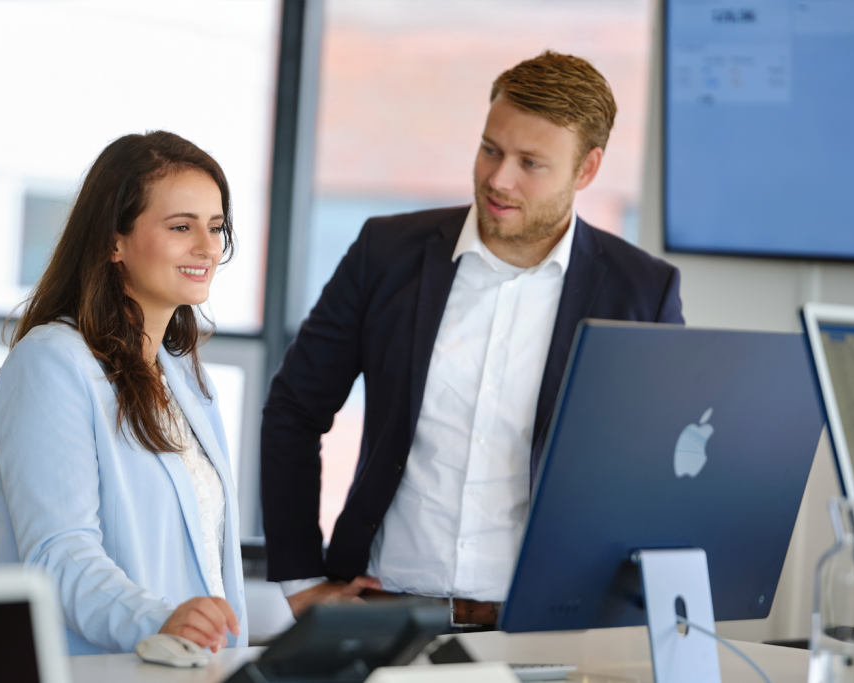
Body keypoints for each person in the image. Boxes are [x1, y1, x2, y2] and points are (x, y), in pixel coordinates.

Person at [261, 51, 685, 626]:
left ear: (586, 170)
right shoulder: (385, 253)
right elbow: (293, 408)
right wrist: (301, 578)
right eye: (491, 149)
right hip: (384, 616)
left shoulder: (643, 294)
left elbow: (658, 471)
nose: (497, 179)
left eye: (530, 163)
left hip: (544, 631)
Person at [0, 131, 247, 655]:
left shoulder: (188, 380)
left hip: (190, 668)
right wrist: (159, 620)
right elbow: (59, 554)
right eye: (181, 226)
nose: (207, 247)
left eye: (215, 227)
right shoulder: (52, 363)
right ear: (114, 241)